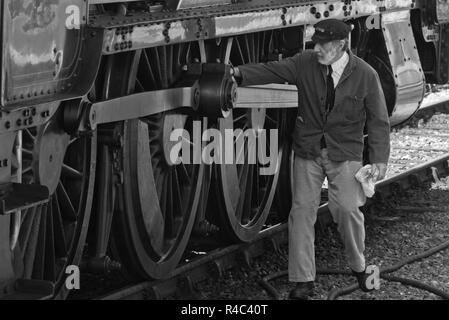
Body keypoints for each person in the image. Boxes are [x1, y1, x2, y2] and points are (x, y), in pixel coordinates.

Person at [231, 19, 390, 300]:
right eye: (314, 42)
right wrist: (236, 72)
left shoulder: (366, 74)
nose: (316, 48)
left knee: (347, 209)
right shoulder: (304, 63)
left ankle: (359, 266)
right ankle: (303, 281)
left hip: (345, 153)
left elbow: (379, 120)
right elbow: (273, 70)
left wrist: (379, 159)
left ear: (340, 45)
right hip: (308, 151)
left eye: (322, 43)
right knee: (301, 213)